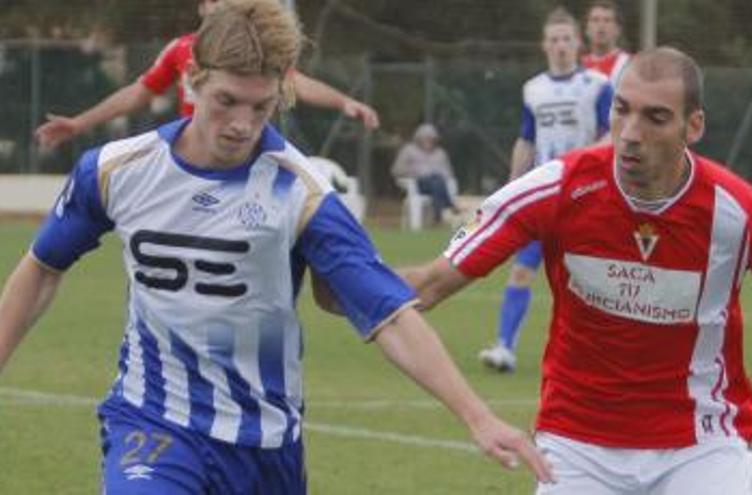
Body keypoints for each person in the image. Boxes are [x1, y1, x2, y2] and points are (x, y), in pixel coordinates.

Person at [0, 1, 553, 493]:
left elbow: (389, 316)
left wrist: (477, 416)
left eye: (260, 107)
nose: (241, 124)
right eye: (227, 101)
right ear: (191, 80)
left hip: (263, 446)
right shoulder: (115, 171)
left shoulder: (302, 194)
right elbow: (42, 268)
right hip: (153, 423)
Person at [402, 47, 752, 493]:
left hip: (702, 444)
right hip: (576, 444)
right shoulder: (555, 189)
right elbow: (430, 283)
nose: (630, 132)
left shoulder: (739, 214)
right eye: (621, 109)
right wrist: (337, 278)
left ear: (693, 127)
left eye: (655, 117)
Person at [34, 0, 379, 149]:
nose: (220, 7)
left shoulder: (256, 51)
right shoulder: (180, 49)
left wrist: (343, 101)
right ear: (202, 8)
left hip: (246, 151)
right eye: (213, 0)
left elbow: (297, 83)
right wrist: (80, 123)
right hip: (193, 150)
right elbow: (139, 93)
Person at [477, 7, 613, 372]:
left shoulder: (598, 86)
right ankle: (504, 347)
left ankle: (599, 356)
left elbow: (610, 135)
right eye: (554, 40)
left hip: (585, 197)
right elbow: (526, 141)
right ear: (544, 45)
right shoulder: (533, 89)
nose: (561, 46)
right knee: (521, 271)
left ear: (577, 43)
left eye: (567, 39)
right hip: (544, 198)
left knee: (588, 281)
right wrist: (510, 187)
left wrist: (583, 166)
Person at [391, 122, 461, 226]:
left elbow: (448, 173)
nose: (428, 141)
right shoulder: (409, 150)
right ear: (418, 138)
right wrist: (414, 172)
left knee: (436, 180)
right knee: (435, 181)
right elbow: (396, 170)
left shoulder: (440, 153)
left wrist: (437, 173)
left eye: (431, 139)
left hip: (439, 184)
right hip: (419, 183)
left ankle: (438, 215)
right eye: (426, 138)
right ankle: (449, 205)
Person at [580, 0, 631, 86]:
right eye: (595, 20)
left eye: (607, 20)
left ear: (617, 30)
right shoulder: (578, 66)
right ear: (586, 29)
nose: (601, 25)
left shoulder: (628, 65)